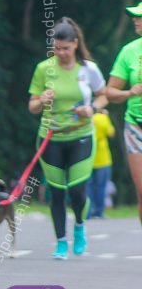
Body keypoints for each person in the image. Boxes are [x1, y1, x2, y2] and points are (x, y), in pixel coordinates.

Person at [28, 18, 106, 259]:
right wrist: (41, 100)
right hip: (50, 137)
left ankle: (80, 227)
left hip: (81, 136)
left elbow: (103, 96)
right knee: (57, 192)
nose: (60, 53)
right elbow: (31, 107)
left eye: (65, 48)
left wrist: (91, 108)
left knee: (78, 190)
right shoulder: (44, 69)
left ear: (75, 44)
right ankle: (61, 242)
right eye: (56, 48)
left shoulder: (88, 69)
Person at [105, 1, 142, 231]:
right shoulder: (129, 51)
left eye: (139, 17)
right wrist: (129, 92)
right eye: (135, 16)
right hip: (136, 126)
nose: (135, 20)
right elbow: (110, 92)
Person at [86, 108, 115, 219]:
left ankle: (87, 212)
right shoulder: (103, 118)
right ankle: (98, 212)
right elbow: (111, 133)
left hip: (88, 157)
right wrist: (106, 116)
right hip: (103, 158)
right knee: (101, 186)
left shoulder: (85, 118)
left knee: (87, 186)